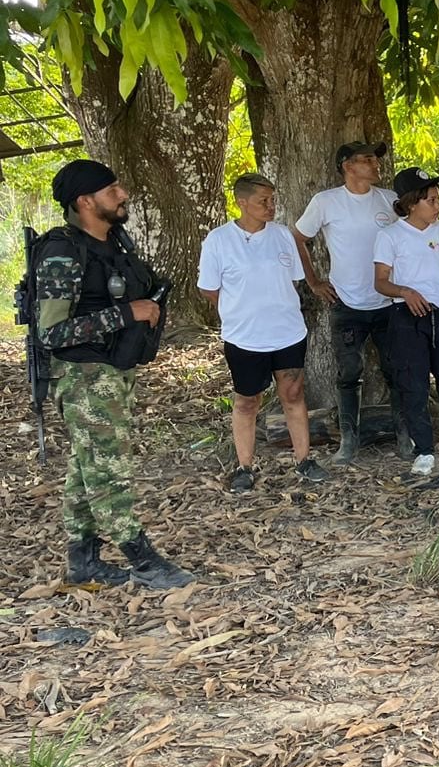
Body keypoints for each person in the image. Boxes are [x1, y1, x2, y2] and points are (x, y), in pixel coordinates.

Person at [33, 159, 192, 588]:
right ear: (85, 201)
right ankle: (142, 559)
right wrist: (126, 313)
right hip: (83, 375)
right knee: (108, 471)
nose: (122, 195)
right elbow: (52, 332)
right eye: (112, 190)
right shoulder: (62, 252)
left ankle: (82, 561)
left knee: (87, 467)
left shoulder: (114, 244)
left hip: (113, 371)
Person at [198, 174, 329, 493]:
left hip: (287, 333)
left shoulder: (283, 235)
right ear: (242, 203)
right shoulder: (218, 240)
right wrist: (241, 306)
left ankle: (304, 460)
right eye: (263, 201)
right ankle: (244, 466)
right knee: (246, 401)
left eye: (272, 200)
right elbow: (209, 290)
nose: (271, 206)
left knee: (293, 394)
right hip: (244, 338)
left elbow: (294, 280)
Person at [293, 140, 409, 465]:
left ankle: (404, 436)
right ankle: (349, 441)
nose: (375, 164)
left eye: (375, 159)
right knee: (348, 372)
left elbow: (411, 236)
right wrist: (314, 282)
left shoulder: (390, 200)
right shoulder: (326, 202)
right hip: (346, 303)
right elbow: (299, 238)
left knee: (396, 370)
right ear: (347, 166)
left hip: (389, 303)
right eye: (367, 159)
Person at [373, 167, 439, 476]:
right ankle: (424, 449)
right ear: (410, 203)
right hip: (406, 316)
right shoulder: (389, 236)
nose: (437, 206)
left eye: (438, 199)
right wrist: (405, 292)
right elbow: (380, 281)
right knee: (413, 384)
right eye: (431, 200)